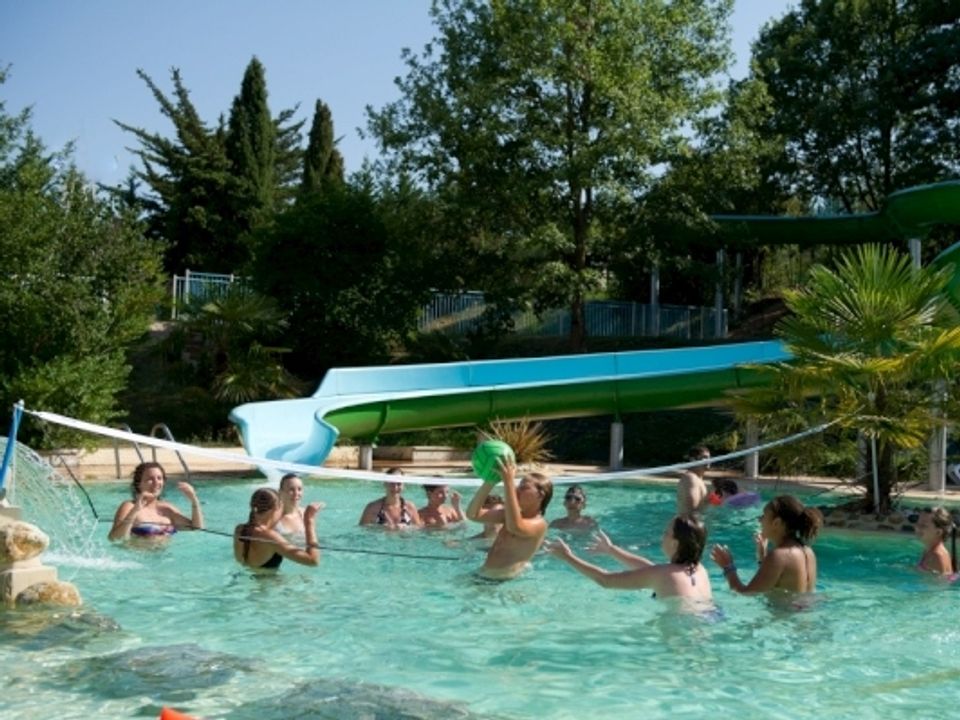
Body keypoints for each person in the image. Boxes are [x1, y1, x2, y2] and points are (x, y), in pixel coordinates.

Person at [546, 516, 712, 601]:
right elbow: (651, 570)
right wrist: (612, 550)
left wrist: (568, 557)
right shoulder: (700, 570)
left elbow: (605, 580)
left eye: (665, 533)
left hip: (681, 632)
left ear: (675, 543)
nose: (662, 537)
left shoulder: (663, 574)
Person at [711, 495, 821, 594]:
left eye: (764, 516)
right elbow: (780, 584)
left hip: (781, 612)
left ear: (776, 523)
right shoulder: (808, 551)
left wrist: (728, 567)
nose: (760, 520)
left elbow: (746, 594)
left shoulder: (779, 556)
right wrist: (762, 558)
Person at [465, 461, 553, 580]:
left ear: (540, 495)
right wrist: (490, 482)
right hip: (483, 574)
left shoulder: (540, 524)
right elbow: (473, 515)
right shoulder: (509, 515)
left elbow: (515, 527)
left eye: (524, 487)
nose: (517, 490)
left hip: (502, 582)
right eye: (518, 486)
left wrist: (508, 481)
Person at [109, 462, 204, 541]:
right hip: (138, 556)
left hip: (167, 557)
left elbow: (196, 528)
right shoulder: (129, 506)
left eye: (159, 478)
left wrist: (194, 499)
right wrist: (135, 510)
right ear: (139, 484)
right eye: (150, 479)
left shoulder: (168, 509)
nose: (156, 482)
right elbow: (114, 538)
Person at [234, 487, 322, 570]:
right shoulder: (270, 536)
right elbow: (313, 561)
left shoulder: (239, 529)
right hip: (270, 581)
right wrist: (309, 521)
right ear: (276, 508)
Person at [358, 468, 423, 528]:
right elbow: (362, 531)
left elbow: (418, 531)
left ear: (403, 486)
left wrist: (406, 529)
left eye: (399, 484)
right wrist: (380, 529)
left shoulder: (410, 508)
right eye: (392, 483)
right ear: (385, 484)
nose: (395, 487)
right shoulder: (372, 508)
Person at [274, 473, 324, 541]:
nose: (296, 493)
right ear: (280, 492)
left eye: (299, 489)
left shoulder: (306, 513)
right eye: (291, 489)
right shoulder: (273, 516)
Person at [915, 507, 957, 575]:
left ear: (938, 532)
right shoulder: (929, 550)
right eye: (918, 523)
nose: (917, 527)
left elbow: (938, 582)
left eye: (924, 526)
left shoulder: (937, 556)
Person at [677, 445, 711, 515]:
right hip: (689, 521)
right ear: (693, 460)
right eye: (704, 457)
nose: (709, 461)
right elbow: (691, 512)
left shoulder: (698, 479)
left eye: (709, 458)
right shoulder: (691, 479)